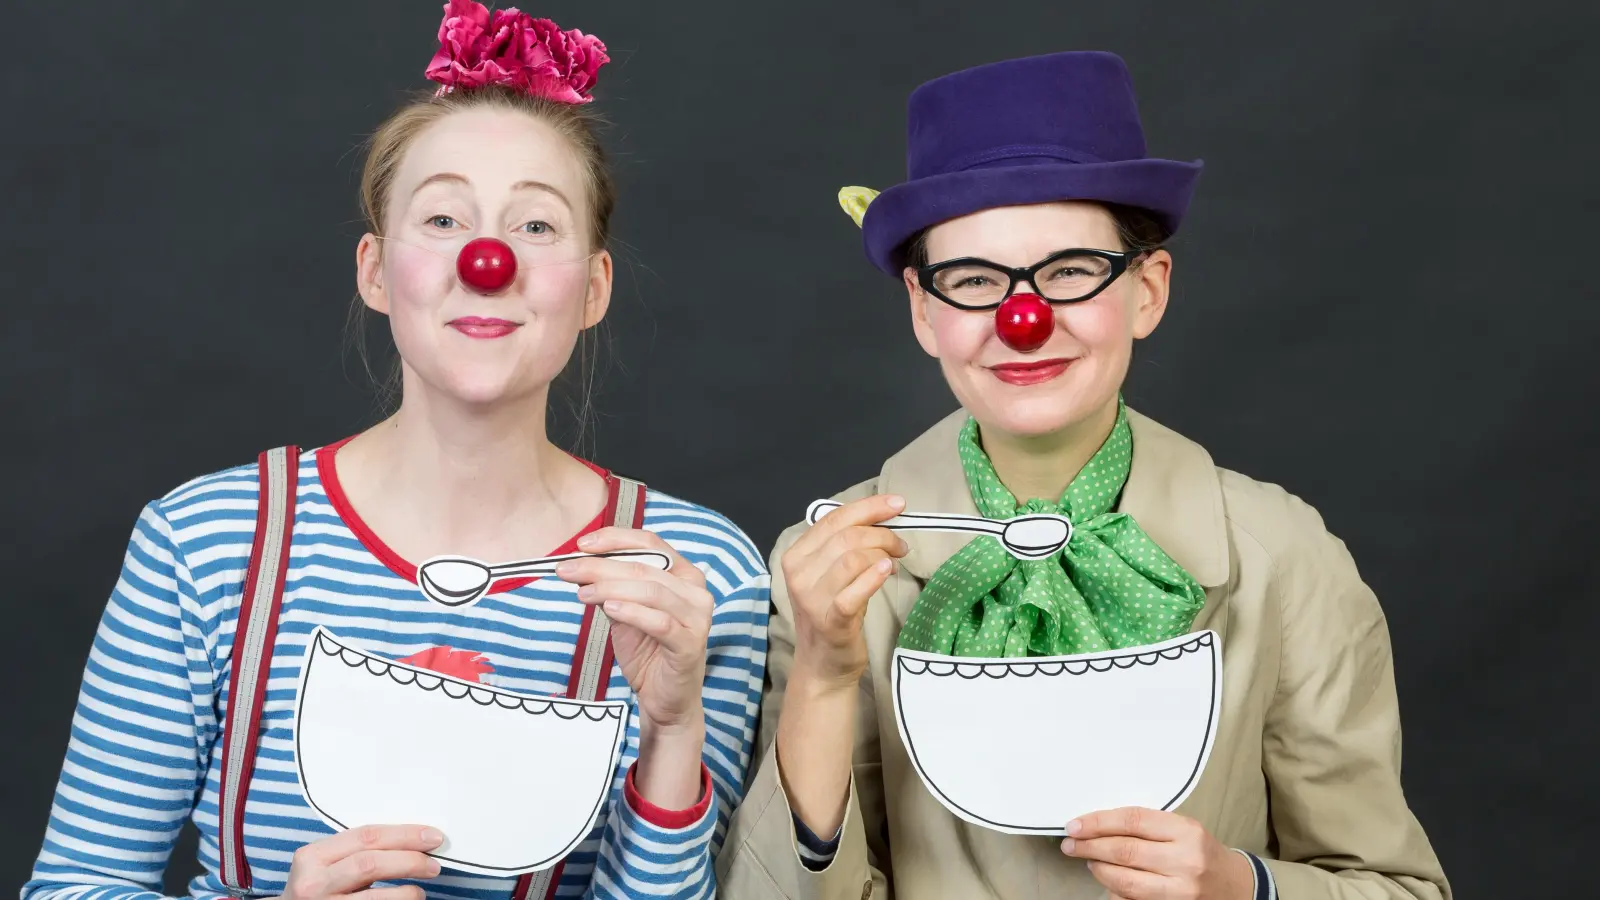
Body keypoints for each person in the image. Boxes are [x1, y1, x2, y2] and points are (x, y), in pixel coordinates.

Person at [21, 4, 767, 900]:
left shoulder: (692, 575)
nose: (487, 261)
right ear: (376, 271)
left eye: (536, 227)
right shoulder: (207, 543)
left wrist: (674, 730)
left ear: (593, 288)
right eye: (444, 219)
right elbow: (75, 884)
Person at [715, 51, 1450, 900]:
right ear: (924, 308)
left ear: (1148, 290)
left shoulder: (1283, 555)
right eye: (974, 280)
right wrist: (823, 672)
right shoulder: (828, 571)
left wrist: (1239, 886)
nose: (1023, 320)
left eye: (1069, 271)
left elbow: (1399, 888)